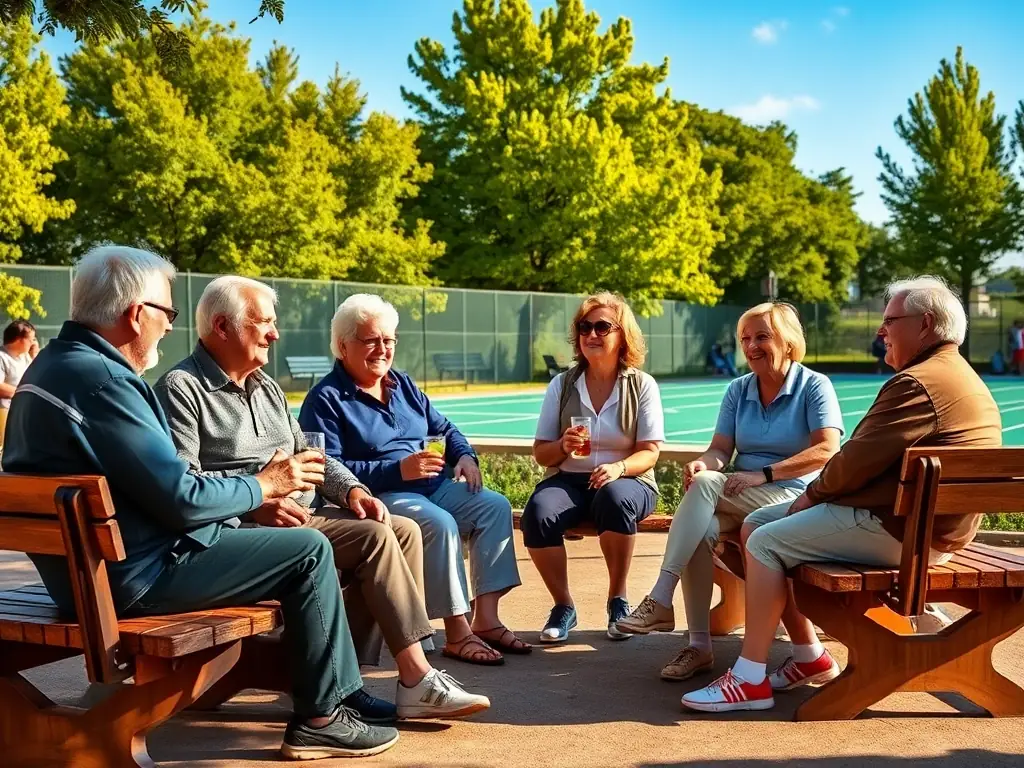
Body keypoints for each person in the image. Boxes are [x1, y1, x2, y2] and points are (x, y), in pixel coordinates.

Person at [1, 246, 398, 760]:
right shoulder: (106, 382)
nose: (170, 327)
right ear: (136, 313)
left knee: (288, 541)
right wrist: (265, 486)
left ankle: (334, 692)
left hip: (83, 575)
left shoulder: (50, 368)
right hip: (134, 578)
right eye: (167, 313)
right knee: (307, 551)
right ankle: (323, 716)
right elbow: (183, 499)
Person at [155, 276, 489, 721]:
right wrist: (255, 496)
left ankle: (343, 678)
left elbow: (314, 457)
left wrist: (353, 490)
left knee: (400, 529)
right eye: (265, 323)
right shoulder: (182, 388)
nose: (275, 333)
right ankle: (411, 676)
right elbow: (185, 482)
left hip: (297, 517)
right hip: (242, 529)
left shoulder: (267, 387)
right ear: (222, 327)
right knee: (375, 540)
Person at [681, 276, 1001, 713]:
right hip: (932, 529)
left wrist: (807, 499)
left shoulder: (917, 383)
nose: (880, 331)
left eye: (890, 321)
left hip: (903, 533)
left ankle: (750, 677)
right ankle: (809, 656)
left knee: (764, 540)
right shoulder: (956, 375)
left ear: (925, 324)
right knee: (759, 523)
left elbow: (851, 461)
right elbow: (864, 461)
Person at [616, 302, 843, 681]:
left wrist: (764, 474)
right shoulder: (739, 389)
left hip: (794, 497)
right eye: (745, 339)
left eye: (762, 337)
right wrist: (706, 463)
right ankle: (699, 646)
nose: (751, 346)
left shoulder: (814, 385)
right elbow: (721, 448)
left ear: (788, 341)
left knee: (703, 493)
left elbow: (826, 450)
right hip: (742, 491)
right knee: (700, 528)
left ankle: (661, 596)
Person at [299, 294, 524, 665]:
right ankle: (457, 632)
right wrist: (397, 470)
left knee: (494, 506)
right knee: (439, 523)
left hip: (433, 486)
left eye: (389, 340)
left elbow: (445, 429)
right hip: (381, 494)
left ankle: (486, 618)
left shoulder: (402, 384)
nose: (383, 349)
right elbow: (327, 469)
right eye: (371, 340)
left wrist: (465, 455)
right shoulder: (325, 400)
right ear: (342, 345)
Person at [522, 292, 665, 643]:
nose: (592, 334)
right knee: (537, 513)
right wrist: (562, 446)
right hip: (569, 478)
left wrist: (618, 468)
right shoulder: (562, 384)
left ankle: (618, 600)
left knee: (613, 498)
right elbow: (542, 454)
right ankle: (563, 606)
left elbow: (650, 452)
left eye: (603, 326)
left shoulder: (641, 385)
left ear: (623, 335)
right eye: (585, 327)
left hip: (629, 480)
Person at [0, 320, 38, 450]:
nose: (33, 342)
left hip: (22, 412)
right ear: (18, 339)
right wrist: (22, 391)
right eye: (31, 339)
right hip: (4, 411)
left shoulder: (25, 357)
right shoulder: (2, 357)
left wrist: (34, 356)